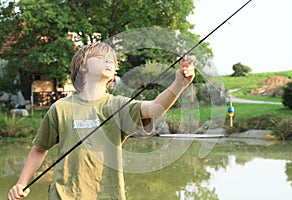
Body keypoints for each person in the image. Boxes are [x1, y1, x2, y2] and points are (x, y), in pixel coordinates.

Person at [8, 42, 195, 200]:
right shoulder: (60, 108)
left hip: (107, 195)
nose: (108, 61)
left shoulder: (118, 106)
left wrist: (179, 84)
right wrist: (21, 183)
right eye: (100, 57)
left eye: (111, 60)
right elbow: (39, 148)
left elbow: (155, 107)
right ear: (83, 66)